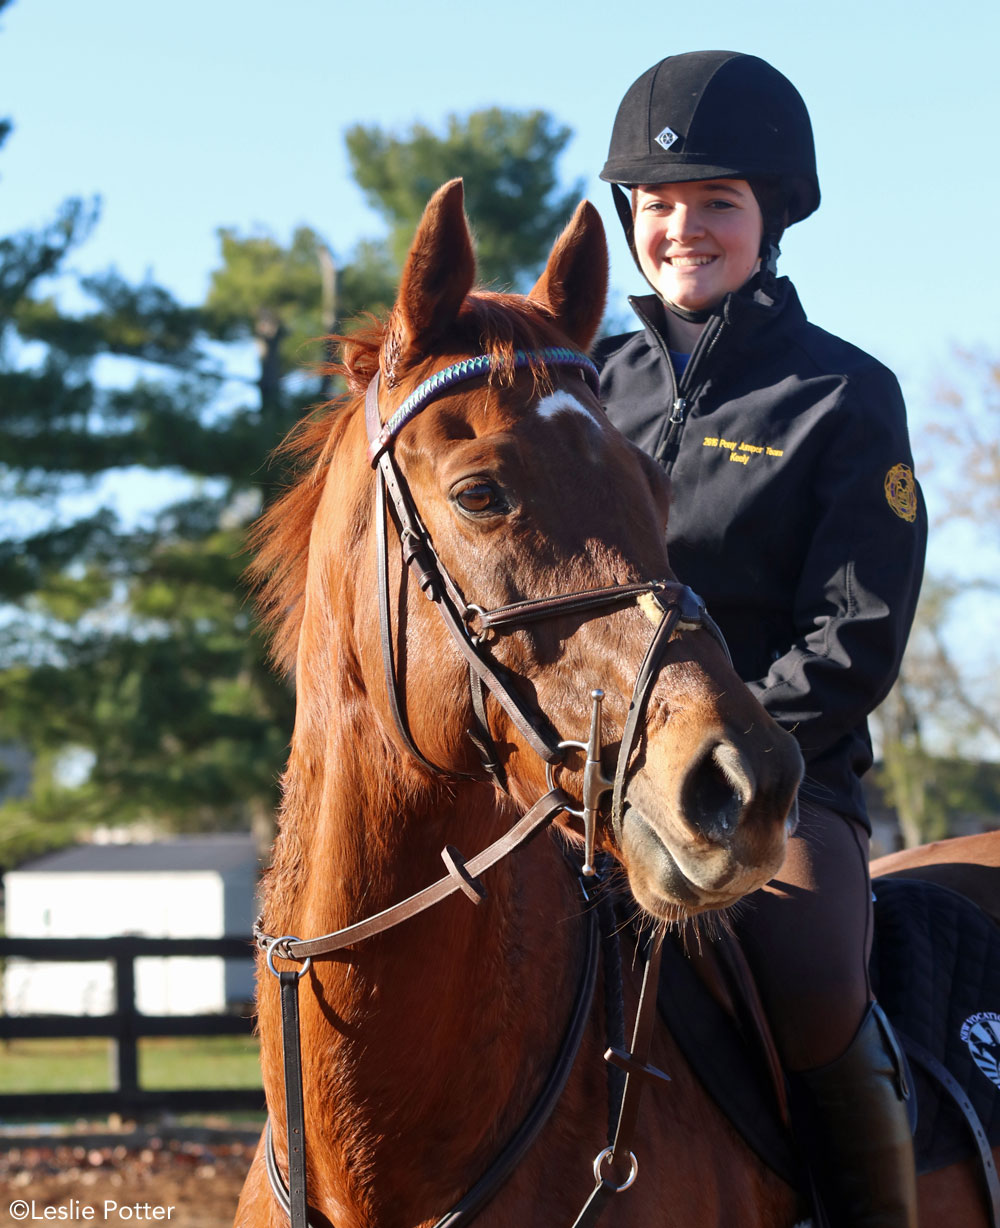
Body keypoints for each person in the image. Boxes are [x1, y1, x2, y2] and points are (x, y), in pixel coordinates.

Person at [595, 50, 927, 1227]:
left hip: (775, 787)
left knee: (810, 982)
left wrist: (723, 750)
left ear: (770, 217)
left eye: (716, 204)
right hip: (579, 782)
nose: (682, 228)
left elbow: (857, 632)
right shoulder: (582, 389)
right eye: (659, 204)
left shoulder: (842, 393)